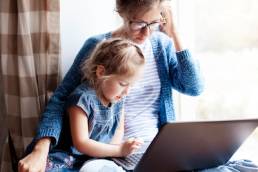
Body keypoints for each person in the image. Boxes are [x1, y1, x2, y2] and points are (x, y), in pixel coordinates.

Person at [18, 0, 258, 172]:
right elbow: (61, 99)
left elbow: (194, 87)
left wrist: (174, 34)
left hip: (160, 150)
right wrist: (41, 149)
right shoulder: (99, 47)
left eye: (153, 23)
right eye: (138, 23)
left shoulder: (161, 45)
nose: (146, 32)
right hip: (113, 156)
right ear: (121, 13)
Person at [43, 38, 145, 171]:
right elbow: (81, 143)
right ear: (101, 72)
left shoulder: (118, 98)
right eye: (123, 84)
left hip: (97, 157)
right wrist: (119, 150)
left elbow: (119, 130)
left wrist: (112, 151)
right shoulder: (82, 99)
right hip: (70, 158)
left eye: (131, 85)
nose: (127, 92)